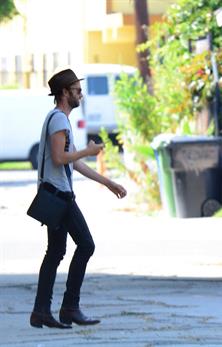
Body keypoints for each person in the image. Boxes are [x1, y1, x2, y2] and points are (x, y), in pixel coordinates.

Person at [30, 69, 127, 329]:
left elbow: (74, 163)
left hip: (56, 194)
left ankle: (42, 311)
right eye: (76, 90)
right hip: (59, 196)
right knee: (85, 245)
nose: (80, 94)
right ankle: (69, 307)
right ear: (64, 93)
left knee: (56, 253)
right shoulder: (59, 120)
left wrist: (108, 182)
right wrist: (88, 150)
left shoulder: (58, 118)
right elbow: (61, 158)